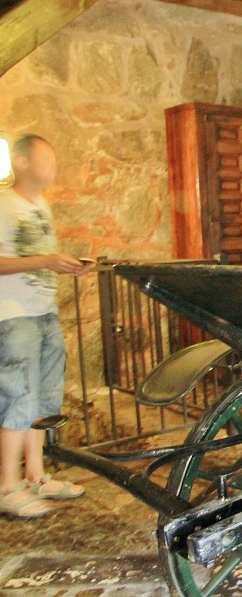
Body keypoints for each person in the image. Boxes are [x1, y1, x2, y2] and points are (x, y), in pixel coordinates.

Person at [0, 133, 89, 518]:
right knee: (18, 397)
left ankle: (35, 475)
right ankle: (7, 485)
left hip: (43, 311)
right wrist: (45, 260)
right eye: (46, 160)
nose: (53, 167)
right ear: (22, 162)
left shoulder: (41, 204)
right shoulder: (4, 204)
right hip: (13, 312)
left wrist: (63, 264)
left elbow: (40, 258)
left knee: (40, 399)